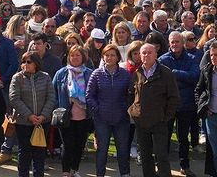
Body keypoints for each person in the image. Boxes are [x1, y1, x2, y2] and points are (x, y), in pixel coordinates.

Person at [128, 42, 180, 177]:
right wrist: (133, 112)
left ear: (156, 54)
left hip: (159, 121)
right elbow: (130, 95)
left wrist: (166, 116)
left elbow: (174, 97)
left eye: (149, 52)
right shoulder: (137, 73)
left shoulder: (165, 72)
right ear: (140, 55)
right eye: (143, 53)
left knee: (161, 155)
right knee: (145, 156)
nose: (146, 55)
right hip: (141, 122)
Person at [86, 43, 132, 177]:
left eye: (112, 55)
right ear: (103, 57)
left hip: (121, 118)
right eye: (107, 55)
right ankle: (100, 174)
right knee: (102, 149)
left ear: (118, 57)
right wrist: (98, 109)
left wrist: (125, 108)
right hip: (102, 119)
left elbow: (130, 94)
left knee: (123, 149)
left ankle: (125, 173)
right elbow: (89, 95)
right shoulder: (96, 74)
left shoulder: (125, 74)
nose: (109, 58)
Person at [158, 30, 200, 177]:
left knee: (183, 138)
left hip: (185, 104)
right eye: (172, 42)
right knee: (165, 137)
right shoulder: (163, 59)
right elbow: (162, 82)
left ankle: (185, 166)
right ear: (169, 43)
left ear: (183, 43)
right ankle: (162, 166)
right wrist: (183, 77)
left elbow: (194, 77)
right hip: (167, 104)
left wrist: (174, 73)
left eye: (178, 42)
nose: (175, 44)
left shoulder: (191, 58)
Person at [9, 52, 55, 177]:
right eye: (23, 62)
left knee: (39, 153)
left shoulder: (45, 77)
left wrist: (43, 116)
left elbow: (51, 98)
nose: (25, 64)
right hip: (23, 123)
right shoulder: (17, 78)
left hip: (41, 123)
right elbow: (14, 98)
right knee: (24, 153)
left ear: (36, 63)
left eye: (28, 62)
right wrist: (29, 115)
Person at [52, 45, 92, 177]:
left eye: (78, 55)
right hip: (66, 115)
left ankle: (75, 169)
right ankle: (65, 171)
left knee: (79, 145)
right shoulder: (61, 73)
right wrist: (58, 106)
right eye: (72, 55)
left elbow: (93, 94)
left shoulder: (89, 73)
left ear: (83, 57)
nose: (75, 58)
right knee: (68, 145)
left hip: (84, 116)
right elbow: (53, 93)